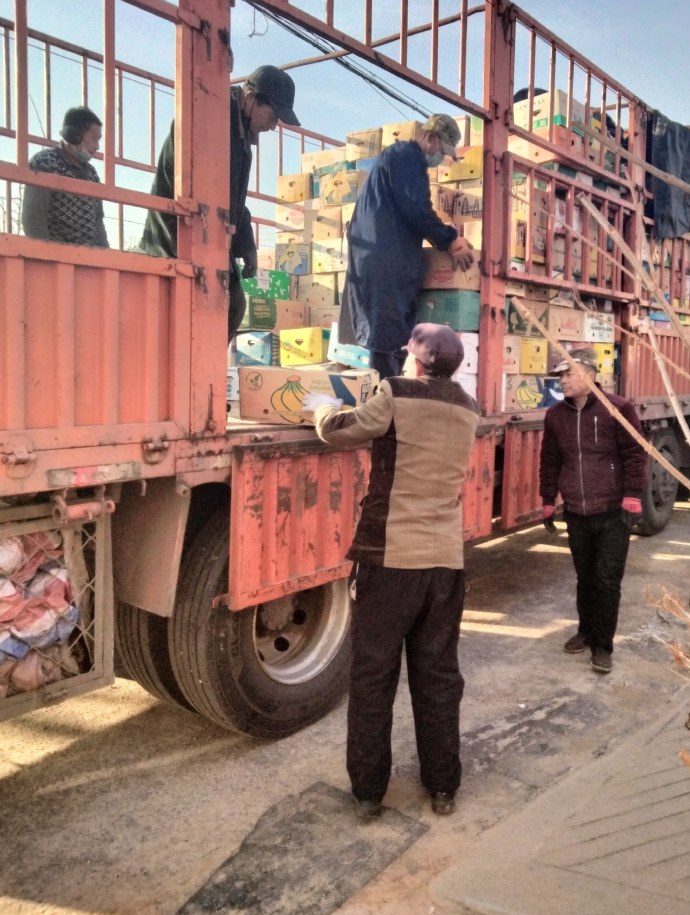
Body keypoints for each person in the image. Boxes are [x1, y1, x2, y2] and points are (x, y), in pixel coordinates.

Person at [305, 323, 479, 820]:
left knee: (374, 677)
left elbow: (341, 431)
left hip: (391, 561)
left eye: (408, 355)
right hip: (445, 563)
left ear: (418, 361)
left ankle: (368, 793)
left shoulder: (396, 392)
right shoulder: (468, 407)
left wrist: (320, 406)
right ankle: (443, 787)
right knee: (439, 678)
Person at [140, 65, 299, 345]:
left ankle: (204, 377)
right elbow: (206, 193)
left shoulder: (239, 133)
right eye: (273, 116)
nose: (273, 126)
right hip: (179, 234)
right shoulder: (213, 118)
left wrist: (247, 246)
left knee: (233, 304)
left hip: (210, 232)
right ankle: (196, 378)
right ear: (251, 98)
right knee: (215, 308)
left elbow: (234, 201)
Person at [338, 113, 476, 380]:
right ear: (431, 138)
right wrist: (450, 240)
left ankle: (387, 393)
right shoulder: (406, 155)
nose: (440, 159)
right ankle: (385, 400)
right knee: (387, 336)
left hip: (381, 257)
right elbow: (417, 208)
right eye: (442, 150)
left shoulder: (397, 160)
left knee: (390, 332)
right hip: (384, 259)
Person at [539, 347, 648, 674]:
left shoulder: (619, 409)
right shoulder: (555, 415)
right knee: (585, 577)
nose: (564, 380)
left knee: (606, 579)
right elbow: (550, 460)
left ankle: (603, 646)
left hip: (613, 510)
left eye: (569, 373)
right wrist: (548, 499)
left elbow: (635, 453)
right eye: (560, 375)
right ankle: (585, 632)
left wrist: (632, 494)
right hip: (576, 511)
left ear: (591, 375)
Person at [22, 106, 109, 248]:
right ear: (74, 135)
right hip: (57, 259)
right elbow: (34, 218)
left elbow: (98, 223)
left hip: (90, 260)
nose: (98, 146)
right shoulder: (46, 162)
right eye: (94, 138)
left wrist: (107, 259)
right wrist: (44, 257)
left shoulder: (92, 174)